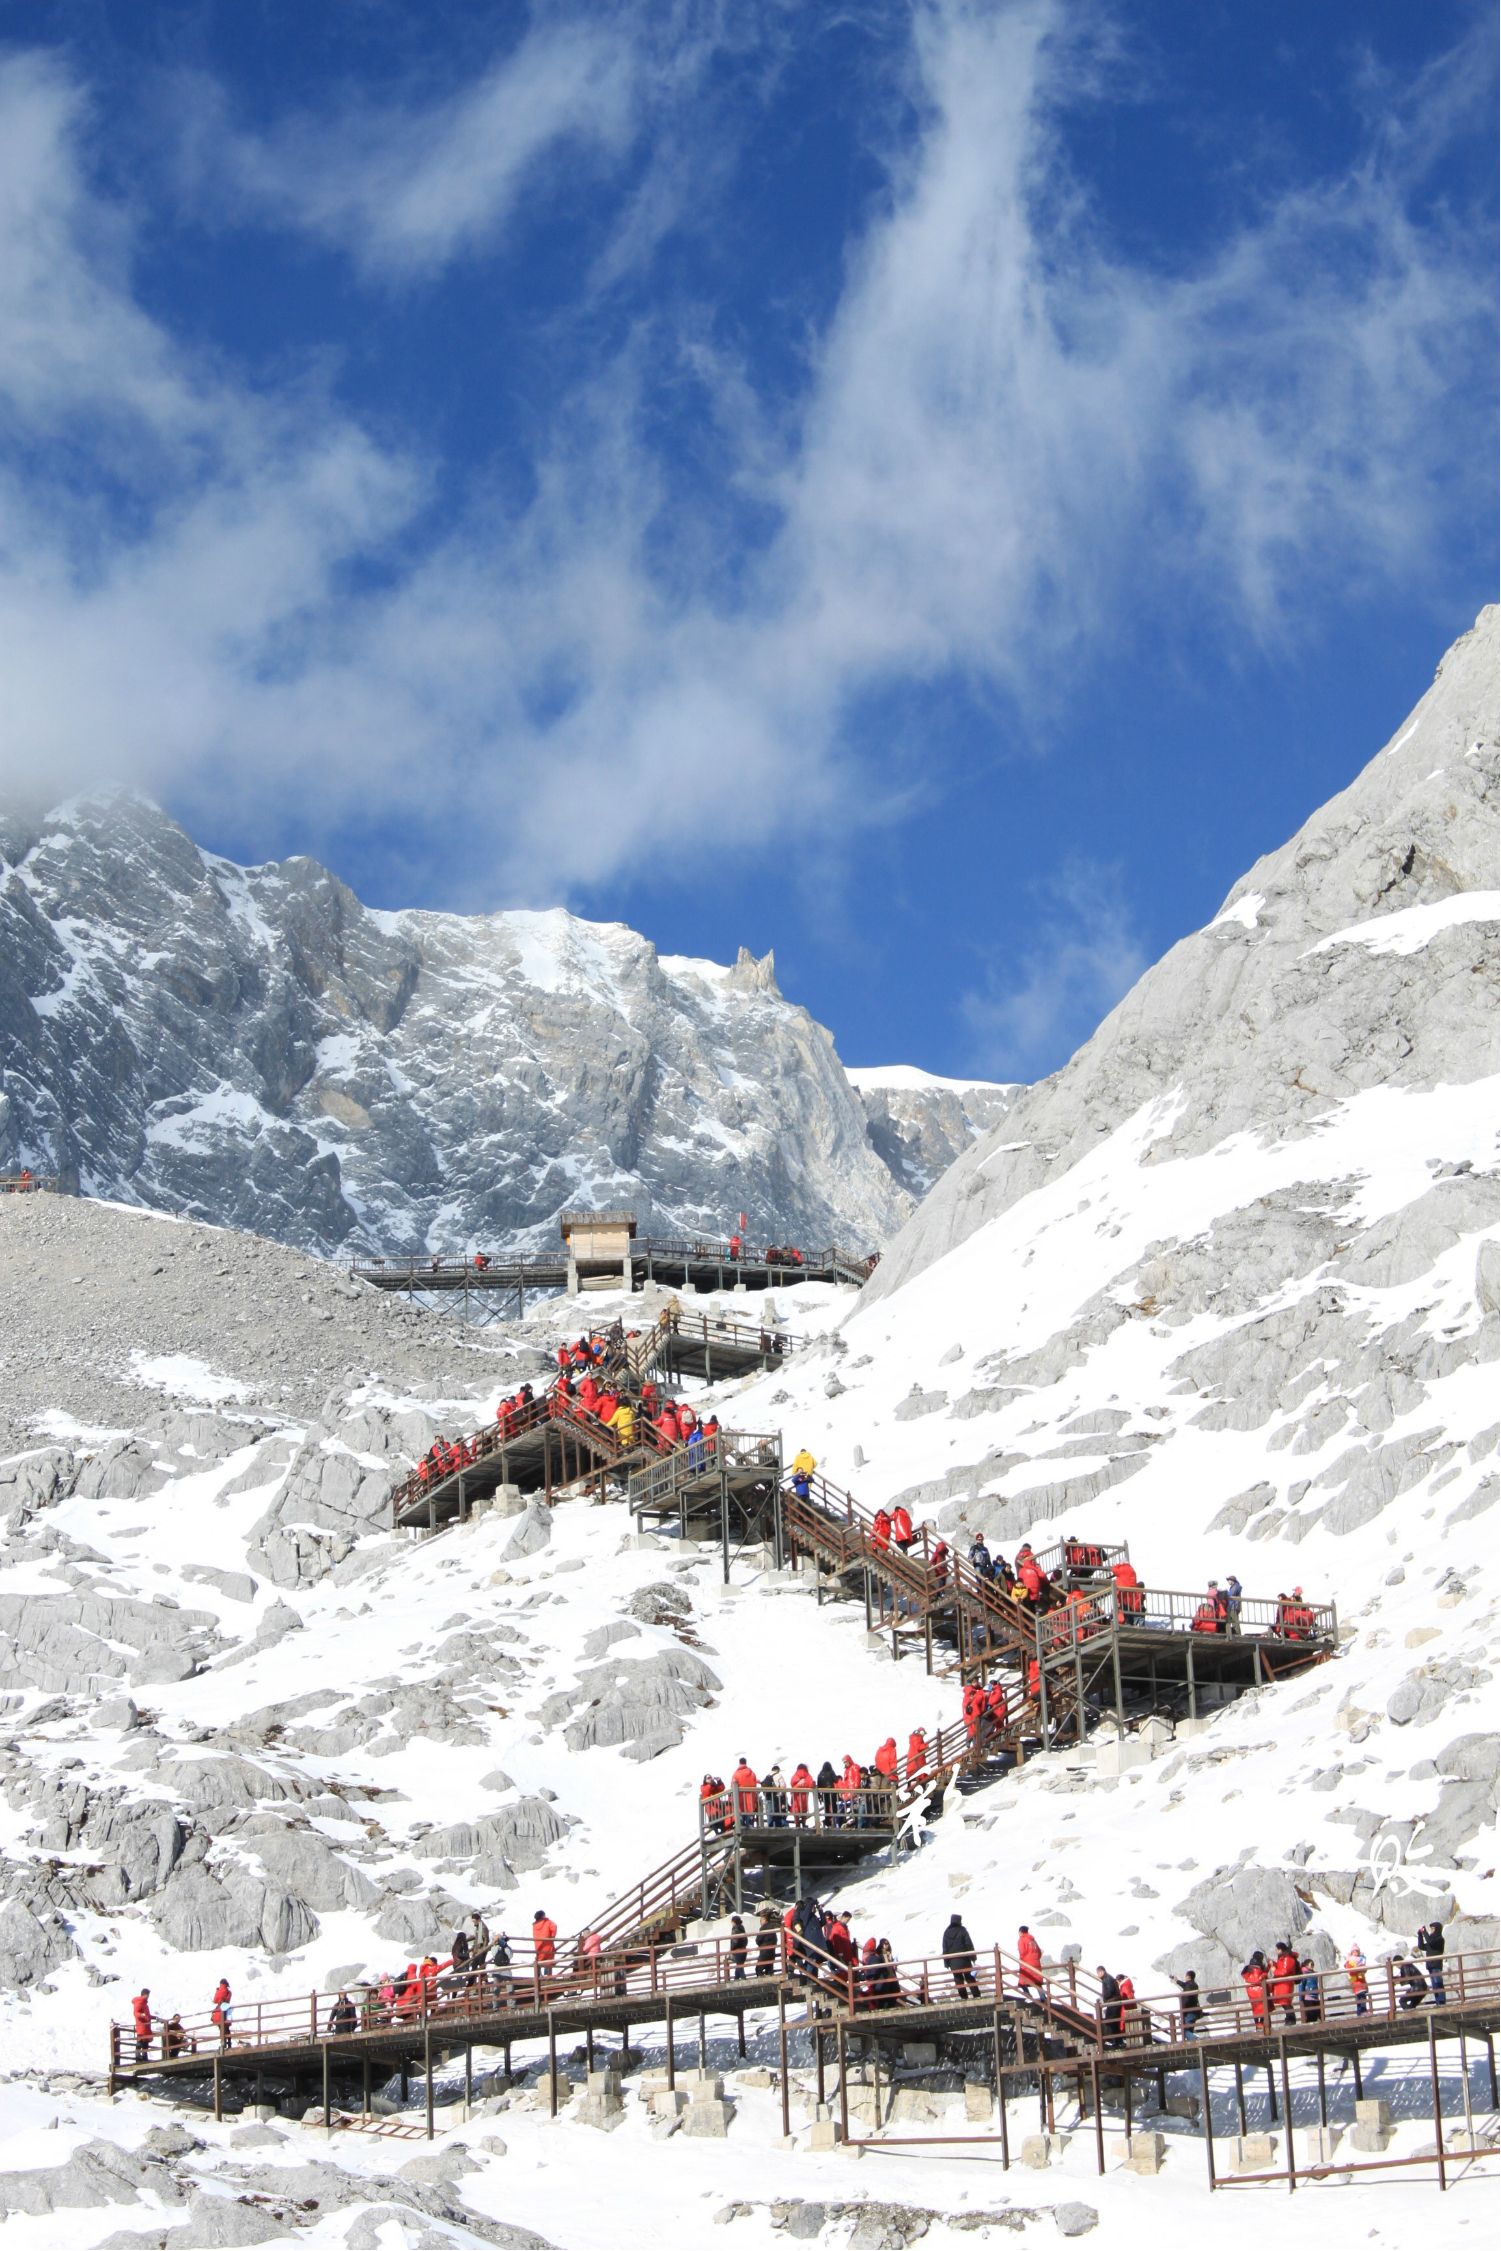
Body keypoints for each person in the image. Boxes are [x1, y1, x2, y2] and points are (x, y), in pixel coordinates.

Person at [943, 1911, 980, 2000]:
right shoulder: (962, 1930)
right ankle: (976, 1995)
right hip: (964, 1959)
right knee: (969, 1977)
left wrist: (946, 1963)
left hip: (953, 1962)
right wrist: (973, 1957)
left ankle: (964, 1997)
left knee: (958, 1980)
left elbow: (945, 1949)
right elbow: (969, 1944)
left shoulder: (946, 1933)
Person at [1270, 1941, 1300, 2027]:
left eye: (1277, 1949)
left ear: (1280, 1949)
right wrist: (1274, 1964)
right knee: (1284, 2002)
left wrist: (1274, 1970)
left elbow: (1285, 1971)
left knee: (1285, 2002)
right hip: (1282, 1984)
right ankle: (1289, 2019)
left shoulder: (1288, 1958)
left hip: (1285, 1984)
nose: (1276, 1951)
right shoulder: (1283, 1957)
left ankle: (1291, 2019)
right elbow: (1282, 1968)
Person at [1417, 1920, 1447, 2006]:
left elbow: (1430, 1942)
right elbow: (1421, 1946)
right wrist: (1420, 1935)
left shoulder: (1440, 1939)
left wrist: (1425, 1932)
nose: (1431, 1930)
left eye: (1433, 1928)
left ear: (1437, 1929)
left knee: (1438, 1983)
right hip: (1430, 1966)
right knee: (1434, 1986)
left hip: (1436, 1965)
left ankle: (1441, 2001)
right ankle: (1438, 2002)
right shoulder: (1431, 1940)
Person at [1240, 1952, 1269, 2032]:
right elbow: (1257, 1979)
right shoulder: (1257, 1967)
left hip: (1250, 1990)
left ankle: (1257, 2024)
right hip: (1258, 1989)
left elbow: (1248, 1978)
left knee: (1255, 2007)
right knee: (1263, 2006)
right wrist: (1265, 1974)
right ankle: (1261, 2023)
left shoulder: (1249, 1967)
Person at [1097, 1967, 1124, 2046]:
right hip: (1114, 2002)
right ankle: (1118, 2041)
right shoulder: (1107, 1978)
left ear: (1102, 1972)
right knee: (1113, 2022)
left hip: (1113, 2003)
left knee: (1110, 2022)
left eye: (1098, 1972)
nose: (1097, 1975)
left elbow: (1110, 1990)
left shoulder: (1107, 1979)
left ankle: (1114, 2041)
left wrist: (1104, 1997)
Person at [1017, 1925, 1044, 1998]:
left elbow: (1022, 1952)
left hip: (1027, 1964)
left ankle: (1028, 1995)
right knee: (1037, 1981)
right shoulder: (1032, 1940)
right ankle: (1043, 1998)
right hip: (1036, 1963)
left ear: (1021, 1932)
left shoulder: (1021, 1940)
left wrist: (1021, 1961)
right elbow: (1039, 1952)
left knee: (1021, 1982)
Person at [1174, 1970, 1202, 2039]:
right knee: (1189, 2030)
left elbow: (1187, 1999)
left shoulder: (1189, 1986)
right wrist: (1177, 1981)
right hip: (1195, 2011)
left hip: (1190, 2011)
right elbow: (1184, 1985)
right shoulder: (1193, 1985)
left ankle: (1196, 2040)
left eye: (1186, 1976)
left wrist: (1183, 2011)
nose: (1185, 1977)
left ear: (1188, 1977)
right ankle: (1194, 2044)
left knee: (1184, 2030)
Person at [732, 1757, 760, 1823]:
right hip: (751, 1795)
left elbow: (733, 1784)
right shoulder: (752, 1773)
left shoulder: (736, 1773)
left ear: (739, 1763)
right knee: (749, 1810)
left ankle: (742, 1824)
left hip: (740, 1796)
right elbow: (754, 1783)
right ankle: (749, 1823)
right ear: (746, 1763)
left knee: (741, 1810)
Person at [1345, 1943, 1369, 2016]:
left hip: (1362, 1981)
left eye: (1357, 1951)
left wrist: (1362, 1967)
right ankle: (1363, 2012)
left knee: (1361, 1997)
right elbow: (1350, 1971)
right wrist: (1358, 1969)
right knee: (1361, 1997)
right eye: (1354, 1951)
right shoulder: (1349, 1961)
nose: (1356, 1953)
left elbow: (1365, 1971)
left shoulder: (1361, 1960)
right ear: (1352, 1953)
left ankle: (1360, 2013)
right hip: (1356, 1982)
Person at [756, 1908, 780, 1978]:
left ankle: (761, 1983)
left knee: (758, 1969)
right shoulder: (772, 1927)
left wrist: (760, 1944)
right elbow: (776, 1939)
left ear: (764, 1920)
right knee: (769, 1969)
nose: (760, 1922)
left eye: (761, 1920)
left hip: (765, 1950)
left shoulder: (763, 1928)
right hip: (772, 1951)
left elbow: (758, 1940)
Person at [1297, 1956, 1322, 2024]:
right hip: (1308, 1997)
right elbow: (1301, 1985)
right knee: (1310, 2014)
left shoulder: (1314, 1973)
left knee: (1317, 2013)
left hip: (1315, 1996)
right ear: (1306, 1965)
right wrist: (1301, 1997)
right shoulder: (1304, 1974)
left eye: (1313, 1964)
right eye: (1311, 1964)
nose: (1312, 1966)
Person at [131, 1987, 153, 2063]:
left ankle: (144, 2057)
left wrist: (152, 2017)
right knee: (140, 2040)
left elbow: (147, 2014)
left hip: (146, 2025)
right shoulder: (140, 2001)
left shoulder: (144, 2003)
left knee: (145, 2042)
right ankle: (138, 2056)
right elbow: (136, 2013)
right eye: (147, 1995)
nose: (148, 1997)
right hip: (142, 2025)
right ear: (144, 1994)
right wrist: (142, 2015)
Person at [789, 1761, 814, 1826]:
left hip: (795, 1797)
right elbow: (811, 1784)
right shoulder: (808, 1775)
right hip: (804, 1797)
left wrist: (797, 1785)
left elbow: (792, 1783)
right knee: (804, 1810)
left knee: (796, 1810)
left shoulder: (795, 1775)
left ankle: (797, 1825)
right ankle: (804, 1824)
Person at [211, 1977, 234, 2050]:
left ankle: (222, 2044)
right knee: (227, 2028)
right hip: (226, 2010)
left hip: (218, 2012)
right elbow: (228, 2000)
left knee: (221, 2028)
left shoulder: (218, 1991)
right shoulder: (228, 1991)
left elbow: (214, 2001)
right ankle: (229, 2043)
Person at [728, 1916, 749, 1981]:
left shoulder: (735, 1928)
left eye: (732, 1921)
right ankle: (736, 1978)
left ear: (734, 1921)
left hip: (738, 1950)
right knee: (739, 1964)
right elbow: (746, 1940)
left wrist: (732, 1949)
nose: (731, 1923)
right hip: (743, 1949)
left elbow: (735, 1941)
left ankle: (743, 1978)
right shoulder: (742, 1927)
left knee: (739, 1966)